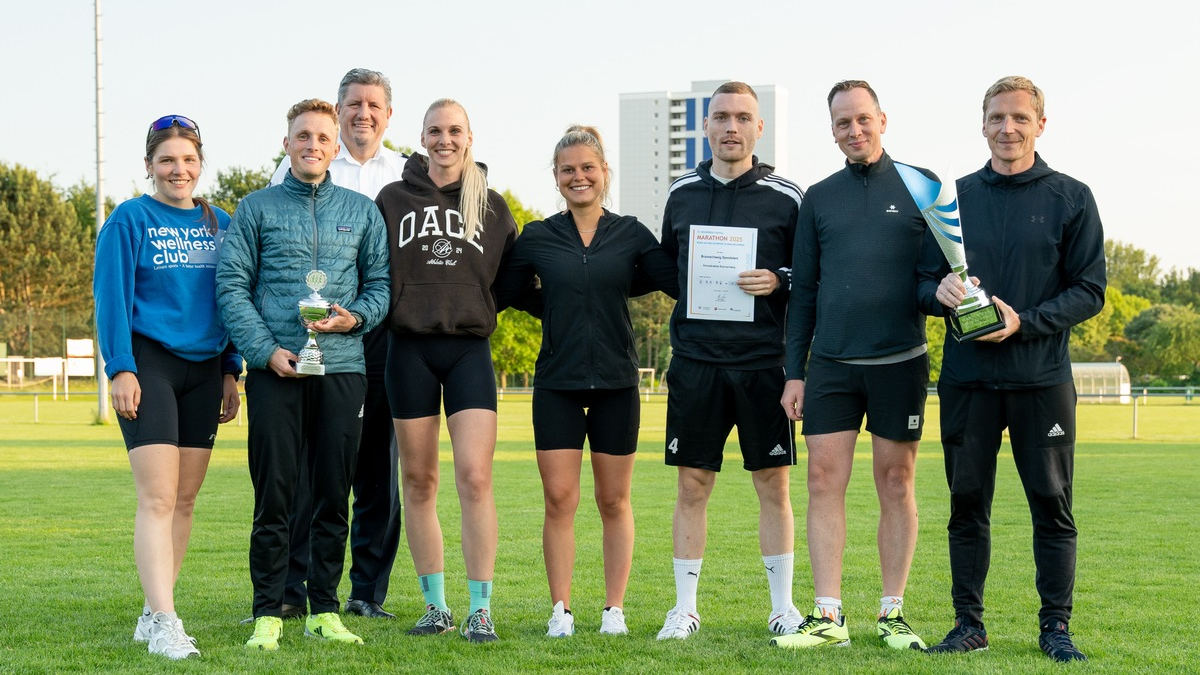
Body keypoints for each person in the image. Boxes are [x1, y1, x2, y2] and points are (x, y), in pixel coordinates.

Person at [918, 76, 1105, 663]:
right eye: (997, 117)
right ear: (982, 123)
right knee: (966, 504)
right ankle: (968, 624)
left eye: (1020, 118)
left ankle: (1055, 627)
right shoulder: (953, 199)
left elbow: (1090, 290)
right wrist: (938, 290)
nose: (1008, 128)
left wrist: (1026, 320)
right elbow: (920, 282)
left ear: (1040, 125)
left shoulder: (1072, 197)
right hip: (967, 379)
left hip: (1041, 379)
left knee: (1051, 504)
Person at [217, 99, 390, 651]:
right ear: (286, 143)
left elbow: (382, 285)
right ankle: (268, 610)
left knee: (334, 495)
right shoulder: (256, 208)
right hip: (276, 373)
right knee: (275, 494)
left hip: (343, 370)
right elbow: (232, 286)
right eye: (302, 136)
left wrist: (355, 316)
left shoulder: (363, 212)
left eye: (322, 137)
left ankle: (324, 609)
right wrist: (265, 351)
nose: (312, 145)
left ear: (335, 147)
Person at [493, 126, 678, 637]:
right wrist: (554, 305)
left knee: (614, 500)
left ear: (603, 173)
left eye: (587, 168)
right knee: (559, 499)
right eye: (568, 170)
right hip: (557, 383)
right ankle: (561, 610)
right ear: (556, 178)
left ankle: (613, 610)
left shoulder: (631, 233)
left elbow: (675, 280)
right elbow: (507, 291)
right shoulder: (537, 237)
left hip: (618, 383)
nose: (579, 176)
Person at [772, 80, 932, 651]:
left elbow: (934, 279)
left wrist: (953, 295)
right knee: (821, 480)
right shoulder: (819, 196)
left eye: (862, 119)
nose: (854, 131)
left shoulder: (922, 188)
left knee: (896, 482)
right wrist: (796, 370)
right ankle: (829, 617)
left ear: (882, 120)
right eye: (843, 123)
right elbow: (805, 291)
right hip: (832, 366)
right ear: (833, 130)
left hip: (900, 362)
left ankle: (892, 614)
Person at [655, 81, 805, 641]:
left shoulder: (788, 196)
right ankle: (685, 609)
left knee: (773, 483)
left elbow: (809, 276)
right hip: (695, 362)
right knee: (692, 484)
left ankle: (782, 608)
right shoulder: (681, 192)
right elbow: (669, 269)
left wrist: (779, 280)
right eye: (721, 117)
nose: (731, 127)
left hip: (764, 363)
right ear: (706, 126)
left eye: (743, 117)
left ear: (759, 128)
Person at [94, 114, 242, 660]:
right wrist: (121, 368)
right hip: (149, 364)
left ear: (200, 164)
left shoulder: (220, 222)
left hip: (206, 371)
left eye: (188, 160)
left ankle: (155, 608)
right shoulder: (130, 219)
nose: (178, 170)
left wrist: (232, 368)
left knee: (184, 499)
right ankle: (164, 621)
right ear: (150, 166)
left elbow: (229, 299)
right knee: (156, 497)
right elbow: (110, 298)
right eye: (167, 161)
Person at [375, 98, 518, 643]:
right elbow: (376, 268)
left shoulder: (494, 206)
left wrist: (473, 309)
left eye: (454, 130)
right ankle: (435, 605)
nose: (444, 139)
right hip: (407, 348)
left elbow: (507, 280)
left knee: (475, 479)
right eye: (435, 130)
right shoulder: (392, 199)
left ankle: (480, 607)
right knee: (417, 479)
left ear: (469, 137)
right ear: (423, 136)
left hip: (466, 353)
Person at [265, 67, 405, 622]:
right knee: (306, 467)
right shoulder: (303, 162)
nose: (362, 113)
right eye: (352, 104)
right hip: (313, 337)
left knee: (377, 469)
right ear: (338, 110)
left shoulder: (405, 174)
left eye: (373, 104)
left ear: (389, 114)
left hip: (380, 337)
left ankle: (367, 592)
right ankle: (293, 590)